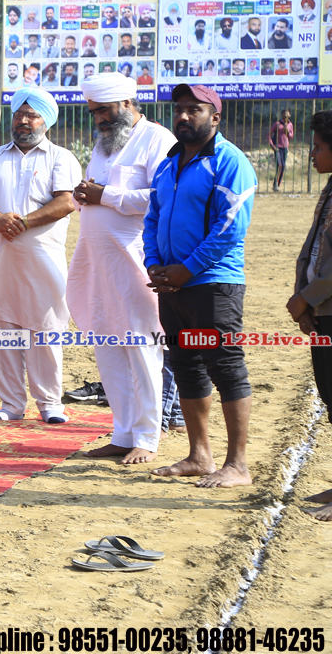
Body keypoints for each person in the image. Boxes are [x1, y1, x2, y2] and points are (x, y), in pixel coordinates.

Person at [146, 83, 256, 488]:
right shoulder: (168, 164)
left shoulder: (230, 161)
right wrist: (154, 264)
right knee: (186, 365)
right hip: (172, 285)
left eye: (194, 109)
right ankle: (199, 456)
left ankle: (237, 465)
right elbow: (152, 219)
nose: (183, 115)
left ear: (216, 117)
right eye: (179, 108)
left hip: (213, 283)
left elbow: (231, 227)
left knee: (225, 366)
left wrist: (188, 269)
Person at [67, 73, 177, 465]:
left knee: (143, 350)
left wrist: (107, 195)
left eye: (104, 111)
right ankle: (122, 433)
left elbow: (163, 196)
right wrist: (83, 195)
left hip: (136, 262)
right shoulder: (103, 145)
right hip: (99, 263)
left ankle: (147, 437)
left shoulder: (157, 139)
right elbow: (96, 194)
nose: (99, 119)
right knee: (108, 349)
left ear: (127, 104)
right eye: (93, 112)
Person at [0, 87, 78, 423]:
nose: (23, 121)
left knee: (44, 328)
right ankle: (11, 405)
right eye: (19, 114)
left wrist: (24, 222)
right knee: (0, 327)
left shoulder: (60, 157)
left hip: (42, 259)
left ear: (47, 121)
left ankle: (50, 404)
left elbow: (66, 201)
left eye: (32, 115)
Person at [286, 110, 332, 520]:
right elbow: (315, 249)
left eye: (317, 147)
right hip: (321, 310)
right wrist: (304, 300)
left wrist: (306, 298)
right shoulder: (330, 188)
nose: (312, 154)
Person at [269, 109, 294, 192]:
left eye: (287, 112)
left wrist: (287, 131)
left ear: (290, 115)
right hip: (277, 147)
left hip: (285, 147)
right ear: (281, 115)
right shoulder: (277, 124)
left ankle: (277, 184)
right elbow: (269, 133)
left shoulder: (290, 125)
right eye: (284, 112)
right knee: (280, 165)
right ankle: (276, 184)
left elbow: (291, 136)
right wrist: (271, 144)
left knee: (282, 166)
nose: (286, 114)